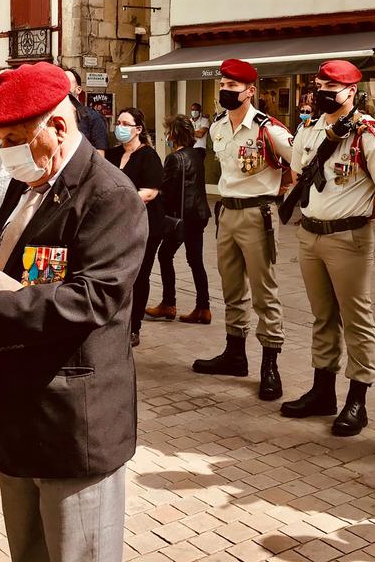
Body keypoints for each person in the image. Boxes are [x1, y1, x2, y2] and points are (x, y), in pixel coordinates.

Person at [0, 62, 146, 562]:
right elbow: (12, 270)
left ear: (58, 127)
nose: (4, 152)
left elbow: (95, 297)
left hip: (71, 423)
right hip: (19, 414)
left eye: (14, 140)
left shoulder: (109, 195)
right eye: (0, 141)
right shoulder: (29, 186)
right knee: (28, 551)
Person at [282, 61, 375, 436]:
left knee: (356, 318)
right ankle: (322, 391)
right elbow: (297, 174)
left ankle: (357, 400)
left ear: (351, 91)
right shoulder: (308, 129)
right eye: (319, 85)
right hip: (311, 235)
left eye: (331, 87)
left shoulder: (368, 134)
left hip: (348, 238)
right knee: (322, 316)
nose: (322, 92)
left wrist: (356, 216)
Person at [193, 59, 294, 401]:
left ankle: (270, 364)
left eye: (233, 87)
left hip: (257, 213)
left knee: (264, 291)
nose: (225, 91)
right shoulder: (218, 127)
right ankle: (235, 354)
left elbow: (301, 162)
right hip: (227, 212)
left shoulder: (269, 130)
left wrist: (285, 189)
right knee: (232, 287)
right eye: (223, 85)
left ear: (250, 91)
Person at [106, 107, 164, 347]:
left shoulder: (148, 156)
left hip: (144, 225)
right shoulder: (112, 154)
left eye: (125, 124)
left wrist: (117, 202)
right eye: (118, 122)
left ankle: (134, 326)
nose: (119, 127)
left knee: (139, 275)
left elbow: (149, 192)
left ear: (138, 129)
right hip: (115, 226)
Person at [146, 114, 211, 325]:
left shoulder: (174, 158)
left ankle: (168, 303)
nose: (167, 136)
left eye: (168, 132)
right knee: (196, 260)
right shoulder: (197, 155)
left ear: (173, 135)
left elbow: (168, 192)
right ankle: (203, 307)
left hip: (182, 218)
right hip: (199, 215)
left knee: (165, 255)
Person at [63, 68, 108, 153]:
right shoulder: (50, 116)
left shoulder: (94, 119)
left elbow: (99, 155)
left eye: (66, 82)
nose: (62, 85)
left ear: (78, 89)